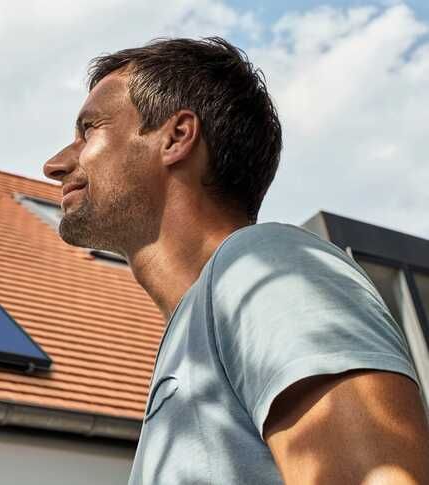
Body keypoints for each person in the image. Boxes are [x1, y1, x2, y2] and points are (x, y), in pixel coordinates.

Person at [42, 37, 429, 484]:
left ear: (177, 137)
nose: (54, 165)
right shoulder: (194, 337)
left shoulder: (264, 267)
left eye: (90, 130)